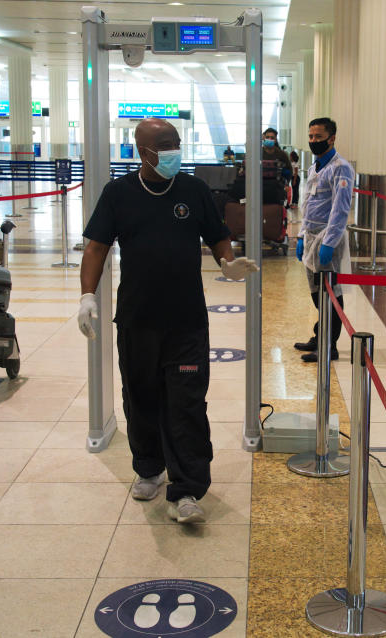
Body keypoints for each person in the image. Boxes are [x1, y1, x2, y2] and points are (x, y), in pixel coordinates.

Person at [78, 118, 258, 525]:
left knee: (187, 403)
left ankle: (187, 489)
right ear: (143, 152)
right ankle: (148, 468)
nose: (174, 149)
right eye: (164, 144)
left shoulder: (192, 190)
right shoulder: (118, 194)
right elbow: (96, 248)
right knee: (140, 398)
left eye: (176, 142)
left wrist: (228, 265)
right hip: (138, 319)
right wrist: (87, 296)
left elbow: (217, 235)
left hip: (186, 321)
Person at [294, 117, 354, 363]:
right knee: (316, 292)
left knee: (331, 294)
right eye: (310, 137)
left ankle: (330, 346)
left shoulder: (341, 168)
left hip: (328, 238)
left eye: (318, 137)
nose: (313, 141)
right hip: (310, 237)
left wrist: (329, 242)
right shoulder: (314, 167)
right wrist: (300, 236)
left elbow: (340, 210)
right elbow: (306, 205)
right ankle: (320, 335)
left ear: (332, 138)